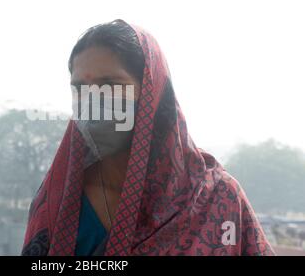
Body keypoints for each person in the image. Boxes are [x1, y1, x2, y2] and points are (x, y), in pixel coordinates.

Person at [21, 19, 274, 256]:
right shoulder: (58, 201)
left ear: (152, 93)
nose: (92, 102)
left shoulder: (216, 198)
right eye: (80, 88)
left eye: (110, 84)